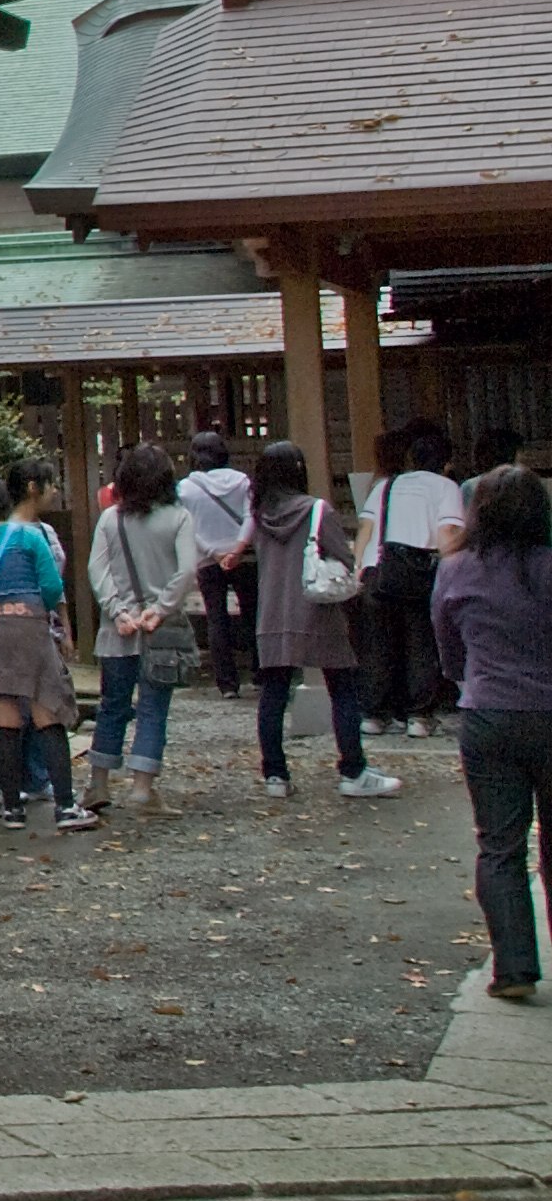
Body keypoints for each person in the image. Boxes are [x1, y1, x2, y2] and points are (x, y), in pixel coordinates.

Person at [434, 464, 552, 1001]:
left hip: (488, 711)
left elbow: (448, 648)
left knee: (499, 845)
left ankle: (514, 967)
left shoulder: (457, 571)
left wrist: (469, 676)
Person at [235, 439, 399, 803]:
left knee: (274, 693)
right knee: (342, 686)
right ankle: (353, 770)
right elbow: (342, 555)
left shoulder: (259, 515)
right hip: (317, 610)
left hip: (273, 612)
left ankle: (275, 774)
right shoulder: (317, 510)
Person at [0, 471, 93, 831]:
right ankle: (66, 807)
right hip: (30, 631)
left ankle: (11, 809)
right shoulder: (29, 537)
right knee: (47, 717)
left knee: (6, 721)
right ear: (3, 505)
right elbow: (50, 586)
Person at [87, 440, 198, 813]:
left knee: (112, 705)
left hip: (117, 631)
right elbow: (187, 570)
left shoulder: (110, 519)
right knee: (153, 708)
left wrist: (118, 612)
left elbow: (97, 570)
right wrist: (161, 608)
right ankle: (142, 789)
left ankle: (98, 783)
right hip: (159, 632)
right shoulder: (178, 517)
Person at [368, 423, 466, 735]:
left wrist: (361, 567)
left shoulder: (387, 484)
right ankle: (419, 717)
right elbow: (447, 534)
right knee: (421, 642)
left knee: (382, 644)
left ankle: (374, 713)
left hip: (382, 569)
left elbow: (366, 528)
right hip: (420, 572)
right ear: (446, 463)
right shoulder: (445, 487)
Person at [177, 430, 258, 696]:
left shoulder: (187, 488)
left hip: (208, 561)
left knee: (217, 618)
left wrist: (214, 553)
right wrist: (237, 549)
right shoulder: (242, 481)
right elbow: (251, 516)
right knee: (253, 613)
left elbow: (187, 527)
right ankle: (260, 672)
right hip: (244, 557)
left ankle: (227, 683)